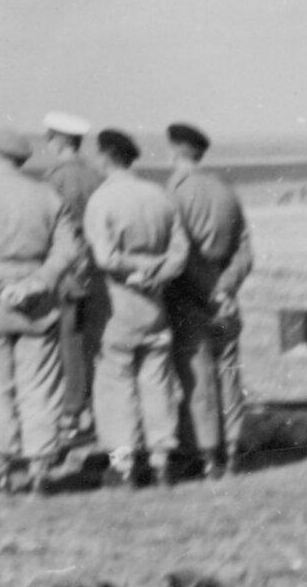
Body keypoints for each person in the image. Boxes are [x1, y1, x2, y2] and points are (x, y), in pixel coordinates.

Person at [0, 127, 84, 495]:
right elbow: (66, 251)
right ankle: (41, 468)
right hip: (37, 304)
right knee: (40, 386)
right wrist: (35, 284)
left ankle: (0, 469)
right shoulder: (46, 196)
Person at [83, 128, 190, 489]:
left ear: (106, 157)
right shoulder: (160, 196)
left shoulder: (102, 201)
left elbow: (105, 256)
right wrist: (155, 272)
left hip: (118, 303)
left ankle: (124, 465)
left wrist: (136, 269)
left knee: (116, 385)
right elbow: (179, 252)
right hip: (155, 303)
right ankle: (161, 460)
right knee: (156, 382)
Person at [164, 122, 255, 479]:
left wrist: (209, 294)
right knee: (229, 375)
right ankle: (232, 449)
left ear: (174, 152)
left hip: (191, 298)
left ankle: (205, 455)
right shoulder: (226, 191)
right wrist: (225, 289)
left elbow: (179, 254)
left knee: (197, 379)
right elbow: (245, 251)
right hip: (225, 299)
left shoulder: (174, 192)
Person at [39, 112, 107, 450]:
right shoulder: (96, 176)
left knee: (68, 345)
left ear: (58, 140)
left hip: (66, 272)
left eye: (49, 138)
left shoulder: (53, 179)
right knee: (92, 343)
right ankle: (90, 412)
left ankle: (72, 414)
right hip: (96, 269)